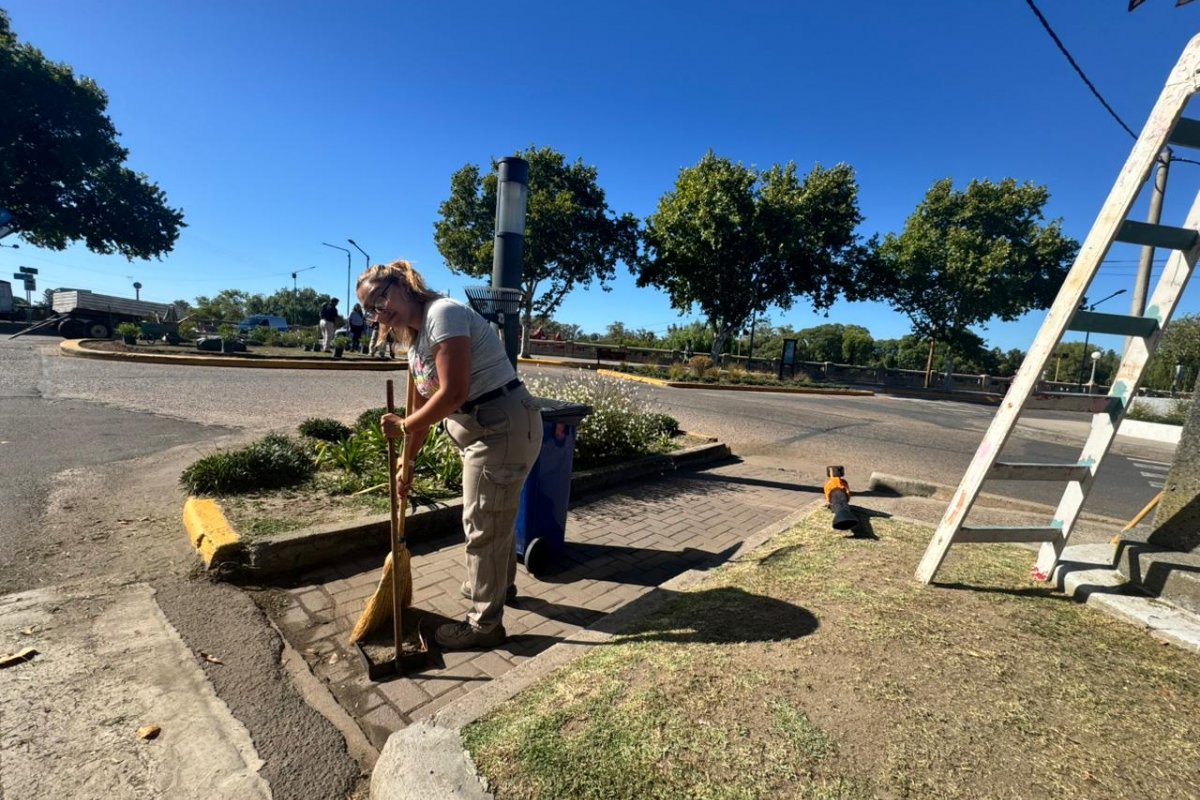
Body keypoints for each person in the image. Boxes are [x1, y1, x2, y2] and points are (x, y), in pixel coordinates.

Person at [359, 259, 542, 651]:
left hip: (501, 428)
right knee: (493, 517)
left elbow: (453, 393)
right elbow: (417, 412)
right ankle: (497, 585)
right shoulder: (413, 338)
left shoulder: (443, 313)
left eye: (382, 297)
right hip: (484, 430)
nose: (380, 311)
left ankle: (484, 625)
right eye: (371, 308)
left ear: (404, 285)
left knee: (482, 523)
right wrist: (405, 462)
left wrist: (404, 428)